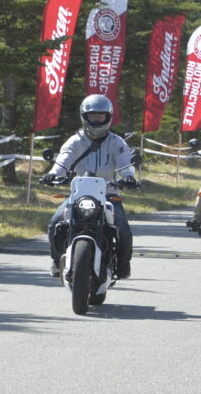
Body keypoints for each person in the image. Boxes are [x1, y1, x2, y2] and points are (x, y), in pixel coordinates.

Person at [42, 94, 139, 279]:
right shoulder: (75, 141)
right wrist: (54, 174)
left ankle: (123, 263)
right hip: (79, 195)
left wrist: (128, 177)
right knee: (56, 222)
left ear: (108, 117)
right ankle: (56, 260)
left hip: (109, 195)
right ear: (85, 116)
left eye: (100, 116)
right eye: (92, 115)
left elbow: (125, 164)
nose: (96, 119)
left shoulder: (117, 142)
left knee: (122, 227)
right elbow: (63, 160)